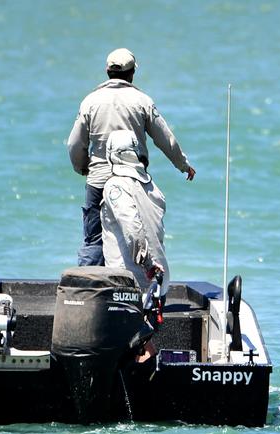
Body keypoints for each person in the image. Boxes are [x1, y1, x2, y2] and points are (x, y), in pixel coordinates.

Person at [67, 48, 196, 266]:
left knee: (94, 241)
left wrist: (83, 168)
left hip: (98, 180)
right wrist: (183, 165)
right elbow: (165, 139)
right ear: (132, 73)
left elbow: (75, 143)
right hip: (132, 181)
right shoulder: (142, 101)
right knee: (135, 235)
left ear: (107, 70)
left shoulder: (90, 101)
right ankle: (133, 289)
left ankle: (89, 290)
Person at [100, 130, 170, 297]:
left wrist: (148, 266)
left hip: (126, 286)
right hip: (159, 286)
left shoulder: (115, 186)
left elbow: (132, 228)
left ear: (111, 154)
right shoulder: (152, 187)